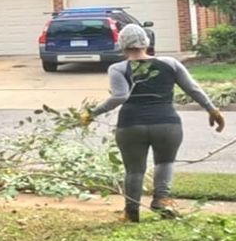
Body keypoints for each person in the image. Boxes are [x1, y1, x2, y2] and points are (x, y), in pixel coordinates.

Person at [88, 23, 226, 221]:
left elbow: (119, 97)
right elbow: (193, 89)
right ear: (146, 42)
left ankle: (131, 212)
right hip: (167, 123)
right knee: (165, 162)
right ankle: (161, 200)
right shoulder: (170, 63)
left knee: (134, 170)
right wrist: (212, 109)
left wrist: (92, 113)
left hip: (130, 125)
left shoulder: (118, 68)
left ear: (122, 45)